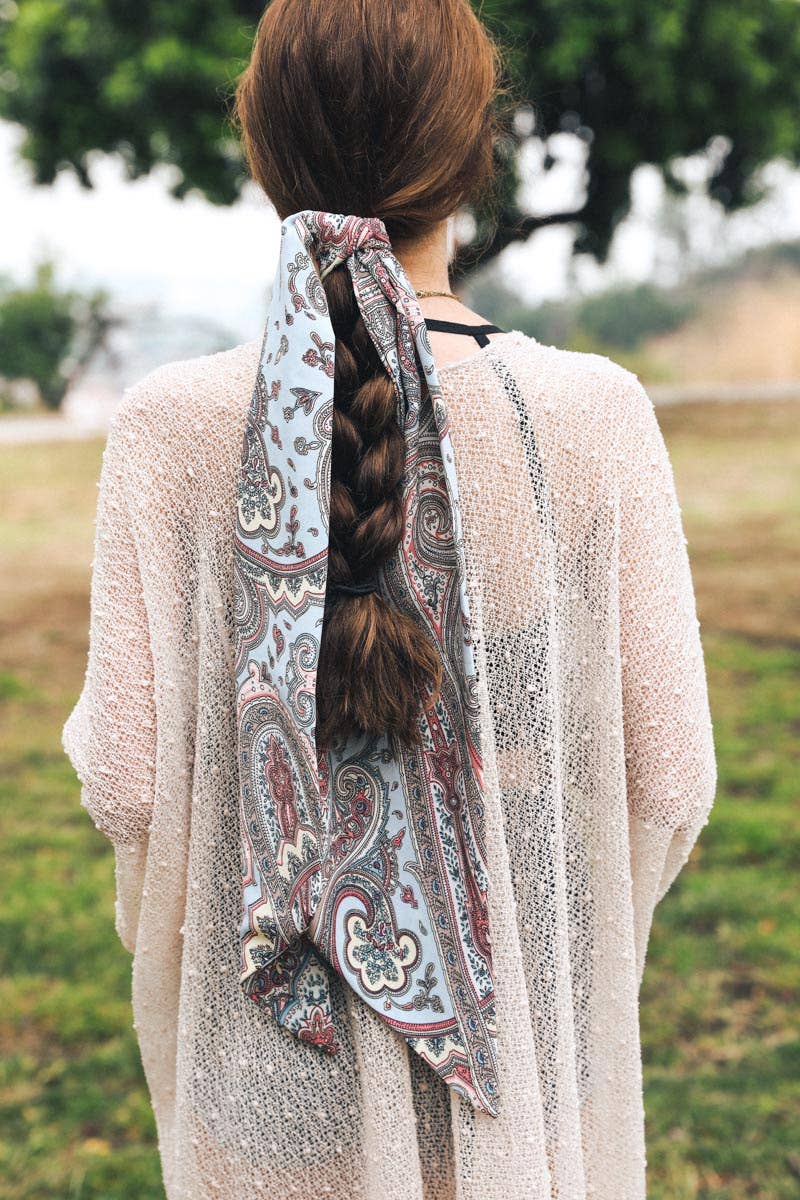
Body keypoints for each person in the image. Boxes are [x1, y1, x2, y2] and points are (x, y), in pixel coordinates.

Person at [62, 1, 716, 1197]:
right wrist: (536, 926)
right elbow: (668, 776)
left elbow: (126, 780)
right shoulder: (584, 419)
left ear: (261, 150)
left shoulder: (173, 428)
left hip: (269, 1060)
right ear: (476, 146)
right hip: (525, 1053)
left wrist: (215, 939)